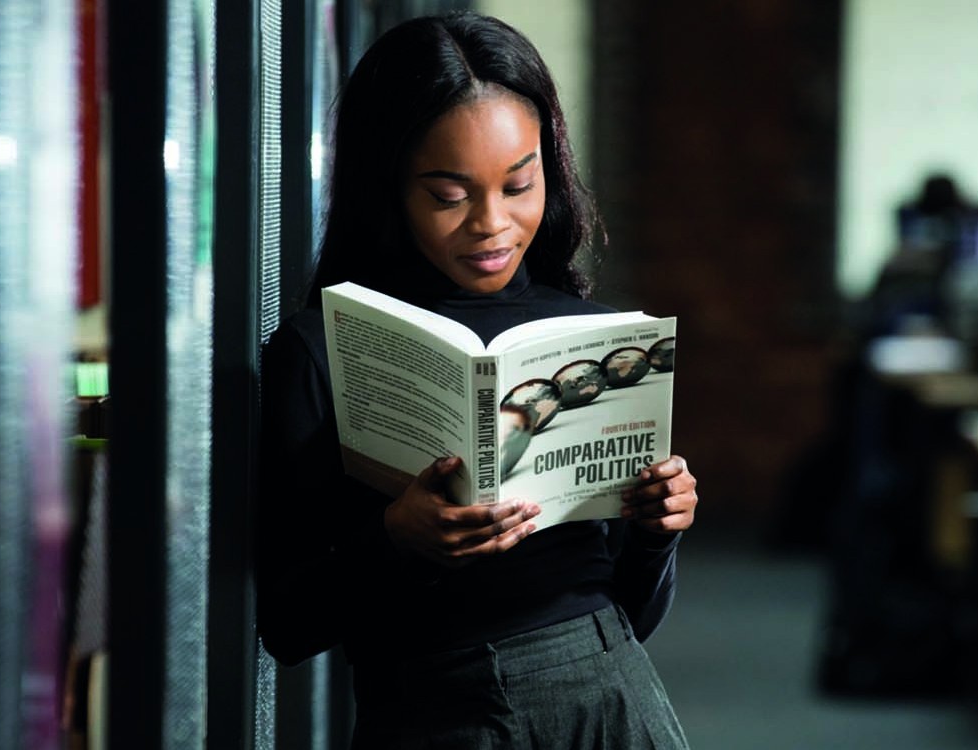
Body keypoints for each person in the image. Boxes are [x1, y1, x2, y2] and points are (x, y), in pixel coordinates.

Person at [255, 12, 698, 749]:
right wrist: (398, 538)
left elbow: (630, 616)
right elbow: (290, 625)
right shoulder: (321, 349)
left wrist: (657, 532)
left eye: (519, 184)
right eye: (450, 196)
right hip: (427, 712)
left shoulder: (587, 338)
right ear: (388, 187)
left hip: (608, 698)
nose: (493, 224)